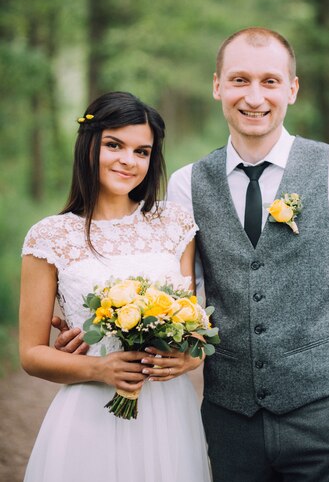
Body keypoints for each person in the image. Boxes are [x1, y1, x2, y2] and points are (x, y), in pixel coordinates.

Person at [55, 28, 329, 482]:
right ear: (217, 86)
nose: (254, 96)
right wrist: (96, 329)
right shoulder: (185, 183)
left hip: (324, 415)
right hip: (228, 419)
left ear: (292, 89)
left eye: (270, 81)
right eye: (239, 80)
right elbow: (179, 293)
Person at [20, 91, 211, 482]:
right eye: (114, 145)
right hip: (91, 408)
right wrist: (99, 367)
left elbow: (192, 328)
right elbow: (31, 354)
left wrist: (192, 358)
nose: (128, 160)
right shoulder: (50, 237)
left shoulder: (174, 224)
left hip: (168, 411)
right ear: (89, 143)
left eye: (142, 152)